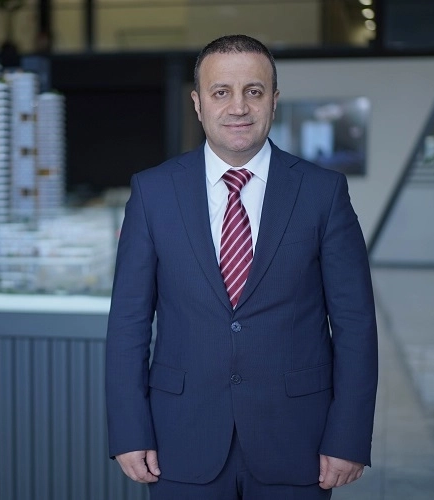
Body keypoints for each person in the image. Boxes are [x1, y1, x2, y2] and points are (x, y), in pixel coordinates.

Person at [105, 34, 378, 500]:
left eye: (254, 91)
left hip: (298, 440)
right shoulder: (153, 193)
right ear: (197, 103)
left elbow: (355, 324)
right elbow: (128, 322)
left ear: (274, 100)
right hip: (180, 439)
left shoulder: (323, 193)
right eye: (221, 92)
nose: (238, 107)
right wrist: (129, 430)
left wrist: (348, 436)